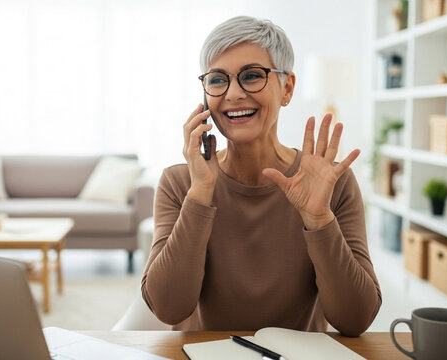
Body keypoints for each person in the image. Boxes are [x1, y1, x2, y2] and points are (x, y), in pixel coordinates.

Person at [141, 16, 381, 336]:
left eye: (252, 76)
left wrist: (319, 218)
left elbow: (356, 320)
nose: (234, 94)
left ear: (287, 89)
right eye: (217, 80)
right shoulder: (180, 183)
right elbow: (168, 308)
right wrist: (200, 194)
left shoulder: (330, 184)